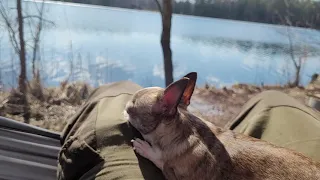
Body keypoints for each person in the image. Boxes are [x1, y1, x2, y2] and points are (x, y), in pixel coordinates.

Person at [57, 80, 320, 180]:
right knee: (271, 99)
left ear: (172, 104)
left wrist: (160, 160)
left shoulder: (187, 160)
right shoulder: (190, 124)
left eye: (133, 111)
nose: (126, 114)